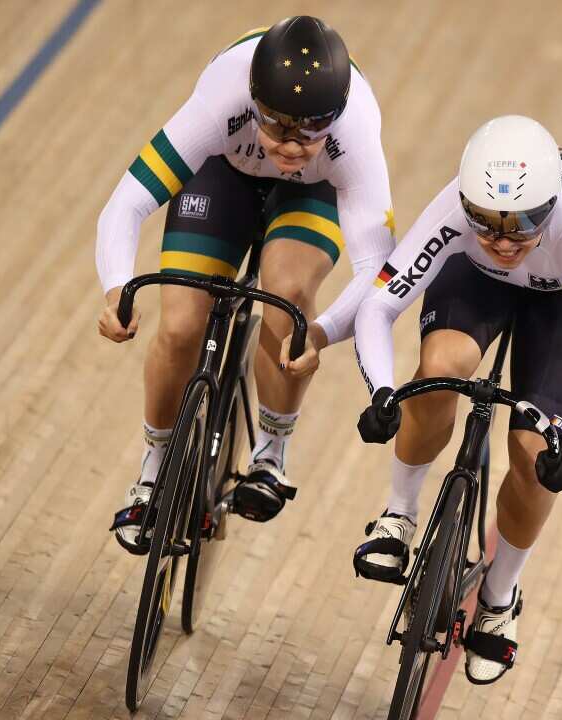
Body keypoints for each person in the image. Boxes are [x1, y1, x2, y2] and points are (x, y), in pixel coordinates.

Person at [351, 115, 562, 684]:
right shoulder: (455, 209)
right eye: (486, 226)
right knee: (437, 371)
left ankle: (500, 598)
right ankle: (399, 514)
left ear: (551, 208)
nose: (504, 243)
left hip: (558, 306)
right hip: (474, 283)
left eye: (521, 229)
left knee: (536, 459)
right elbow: (378, 304)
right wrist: (383, 391)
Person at [95, 16, 395, 552]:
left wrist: (321, 333)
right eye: (277, 125)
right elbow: (128, 201)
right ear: (254, 101)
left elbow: (380, 273)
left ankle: (272, 451)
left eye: (310, 131)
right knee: (181, 326)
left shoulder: (355, 135)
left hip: (312, 194)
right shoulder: (221, 99)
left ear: (336, 118)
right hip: (223, 173)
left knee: (289, 300)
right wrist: (117, 286)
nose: (292, 144)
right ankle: (154, 467)